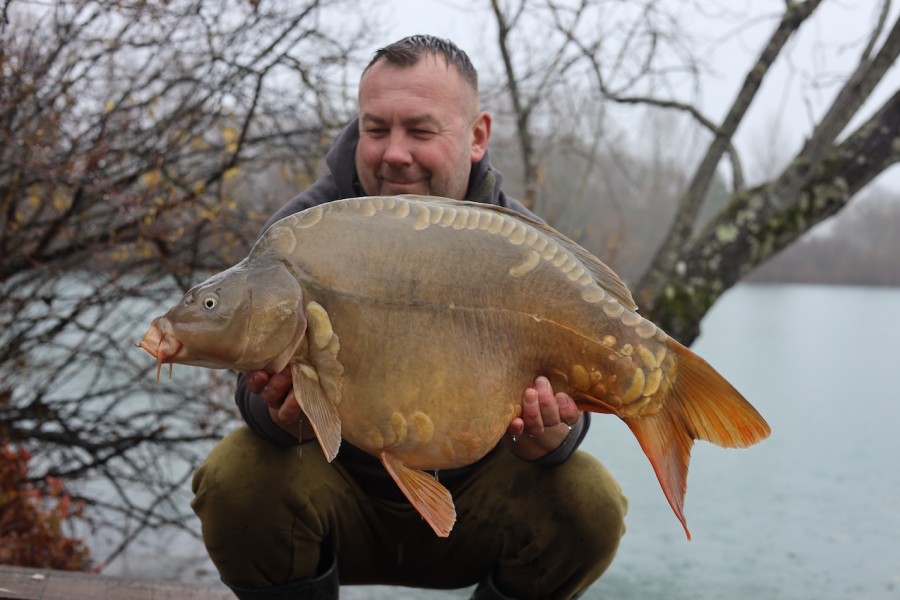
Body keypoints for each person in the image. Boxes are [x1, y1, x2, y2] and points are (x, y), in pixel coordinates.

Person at [191, 35, 627, 600]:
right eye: (375, 130)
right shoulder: (306, 232)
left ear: (476, 137)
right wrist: (280, 413)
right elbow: (249, 382)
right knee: (236, 476)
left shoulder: (521, 248)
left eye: (420, 131)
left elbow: (574, 392)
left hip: (475, 509)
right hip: (335, 503)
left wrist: (550, 439)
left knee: (589, 500)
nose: (394, 152)